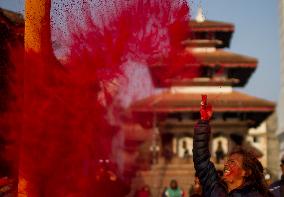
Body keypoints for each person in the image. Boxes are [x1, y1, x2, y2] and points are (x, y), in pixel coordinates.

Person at [193, 95, 273, 197]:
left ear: (246, 172)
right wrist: (203, 124)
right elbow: (201, 161)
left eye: (232, 162)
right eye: (227, 161)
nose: (226, 164)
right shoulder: (215, 190)